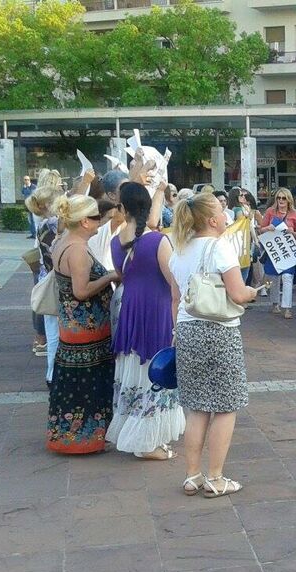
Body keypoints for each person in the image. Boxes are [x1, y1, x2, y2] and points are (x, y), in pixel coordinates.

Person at [169, 192, 263, 497]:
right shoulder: (220, 247)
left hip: (186, 330)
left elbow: (175, 298)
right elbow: (237, 294)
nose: (226, 216)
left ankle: (192, 475)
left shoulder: (178, 250)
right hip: (219, 331)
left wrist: (176, 330)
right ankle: (216, 477)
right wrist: (252, 292)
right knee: (226, 406)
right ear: (212, 220)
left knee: (196, 407)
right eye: (222, 212)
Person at [108, 182, 184, 459]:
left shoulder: (116, 242)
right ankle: (146, 442)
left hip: (130, 309)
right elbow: (175, 282)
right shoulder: (157, 241)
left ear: (123, 208)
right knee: (156, 367)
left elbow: (122, 275)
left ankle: (136, 432)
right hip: (157, 309)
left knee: (134, 366)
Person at [47, 194, 119, 454]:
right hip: (86, 328)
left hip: (73, 326)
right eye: (97, 217)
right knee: (88, 384)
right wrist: (110, 276)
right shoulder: (77, 249)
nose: (100, 222)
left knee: (74, 384)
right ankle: (85, 439)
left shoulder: (64, 242)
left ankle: (73, 436)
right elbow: (81, 291)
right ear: (85, 222)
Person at [26, 185, 64, 385]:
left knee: (53, 332)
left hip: (47, 281)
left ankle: (52, 374)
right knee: (56, 333)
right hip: (54, 284)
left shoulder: (43, 225)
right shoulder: (51, 226)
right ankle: (53, 375)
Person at [260, 187, 296, 319]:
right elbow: (261, 229)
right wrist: (268, 228)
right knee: (274, 278)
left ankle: (287, 307)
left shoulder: (293, 214)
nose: (281, 200)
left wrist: (293, 232)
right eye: (278, 198)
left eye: (284, 198)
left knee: (287, 277)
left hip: (287, 251)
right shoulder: (270, 212)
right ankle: (275, 303)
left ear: (288, 200)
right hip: (274, 250)